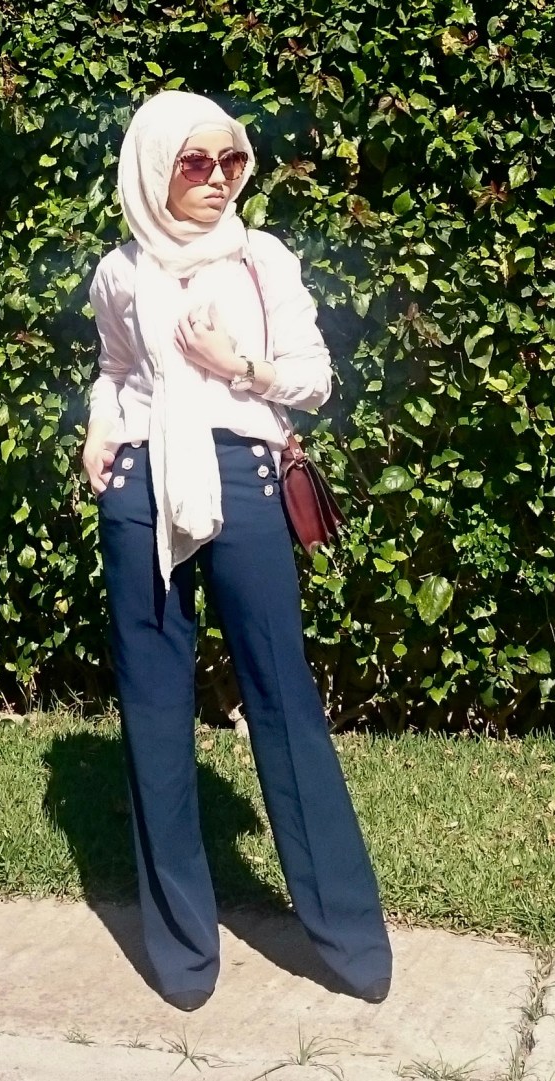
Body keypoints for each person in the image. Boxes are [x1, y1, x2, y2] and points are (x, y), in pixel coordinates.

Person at [81, 90, 393, 1012]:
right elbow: (115, 369)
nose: (219, 178)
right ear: (154, 169)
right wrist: (99, 431)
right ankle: (182, 946)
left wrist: (238, 368)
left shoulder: (262, 259)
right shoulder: (119, 271)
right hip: (141, 482)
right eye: (197, 162)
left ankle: (347, 935)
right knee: (153, 706)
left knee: (282, 696)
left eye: (232, 161)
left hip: (245, 476)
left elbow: (314, 380)